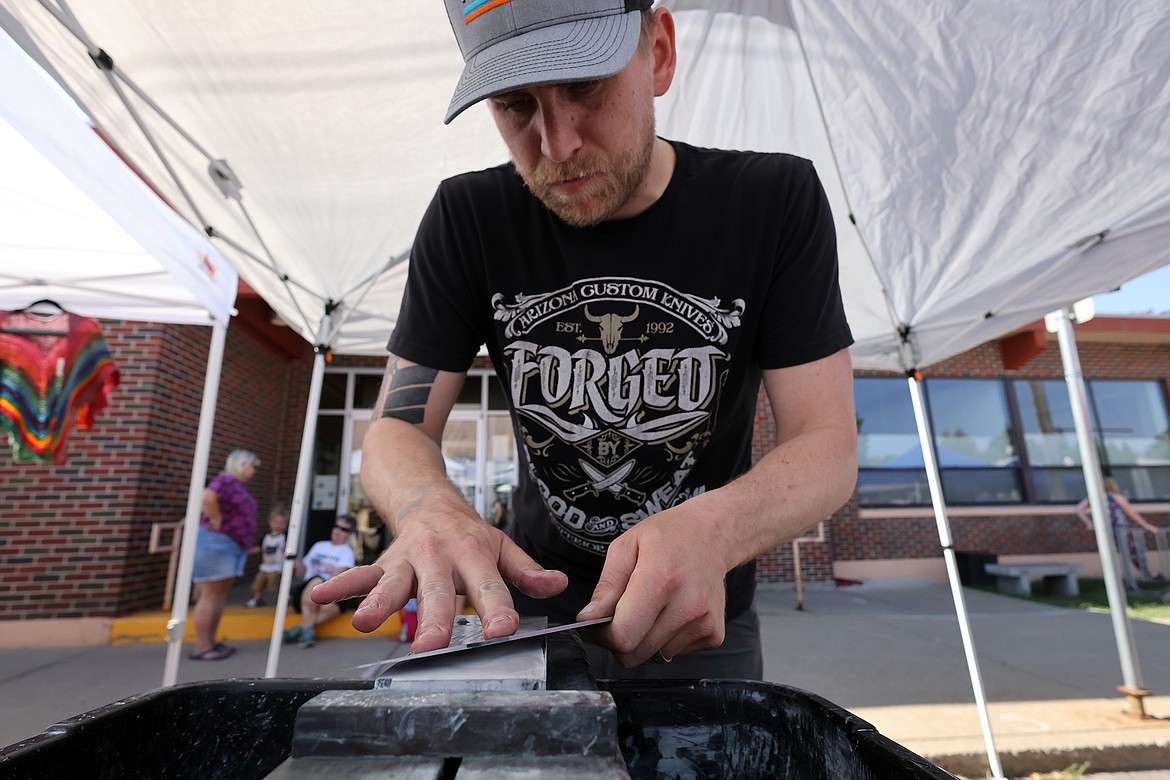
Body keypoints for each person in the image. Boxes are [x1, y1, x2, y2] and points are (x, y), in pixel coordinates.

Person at [314, 1, 857, 679]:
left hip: (700, 615)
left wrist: (714, 531)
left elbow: (827, 442)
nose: (557, 142)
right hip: (531, 610)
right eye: (515, 105)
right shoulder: (469, 218)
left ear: (657, 51)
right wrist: (430, 509)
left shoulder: (772, 201)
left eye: (585, 86)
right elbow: (397, 427)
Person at [190, 449, 260, 660]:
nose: (253, 471)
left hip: (231, 545)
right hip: (218, 543)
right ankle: (202, 645)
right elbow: (208, 496)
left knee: (218, 594)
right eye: (252, 466)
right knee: (210, 593)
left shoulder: (236, 485)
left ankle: (211, 641)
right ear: (241, 464)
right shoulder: (226, 480)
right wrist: (217, 518)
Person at [284, 514, 358, 648]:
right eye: (336, 526)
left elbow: (335, 578)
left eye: (343, 529)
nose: (338, 531)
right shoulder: (319, 546)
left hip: (328, 595)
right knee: (316, 580)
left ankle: (303, 628)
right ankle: (306, 632)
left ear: (349, 534)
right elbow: (303, 574)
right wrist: (292, 558)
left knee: (327, 600)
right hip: (306, 592)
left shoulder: (346, 552)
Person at [1077, 477, 1160, 580]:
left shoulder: (1094, 497)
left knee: (1110, 553)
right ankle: (1146, 574)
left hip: (1104, 530)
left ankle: (1113, 579)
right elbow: (1131, 513)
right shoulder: (1117, 497)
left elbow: (1079, 509)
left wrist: (1089, 523)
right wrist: (1146, 524)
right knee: (1133, 551)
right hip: (1120, 528)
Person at [247, 504, 288, 607]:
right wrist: (247, 551)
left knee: (273, 585)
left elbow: (288, 548)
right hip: (265, 566)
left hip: (277, 567)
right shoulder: (266, 536)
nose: (278, 525)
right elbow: (259, 547)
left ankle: (284, 597)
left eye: (281, 523)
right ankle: (258, 599)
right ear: (269, 522)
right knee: (257, 585)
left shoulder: (284, 537)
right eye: (275, 522)